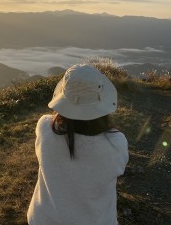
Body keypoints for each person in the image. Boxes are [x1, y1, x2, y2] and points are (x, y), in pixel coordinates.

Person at [27, 64, 129, 225]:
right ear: (102, 100)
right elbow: (118, 170)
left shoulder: (45, 127)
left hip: (43, 220)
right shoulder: (117, 143)